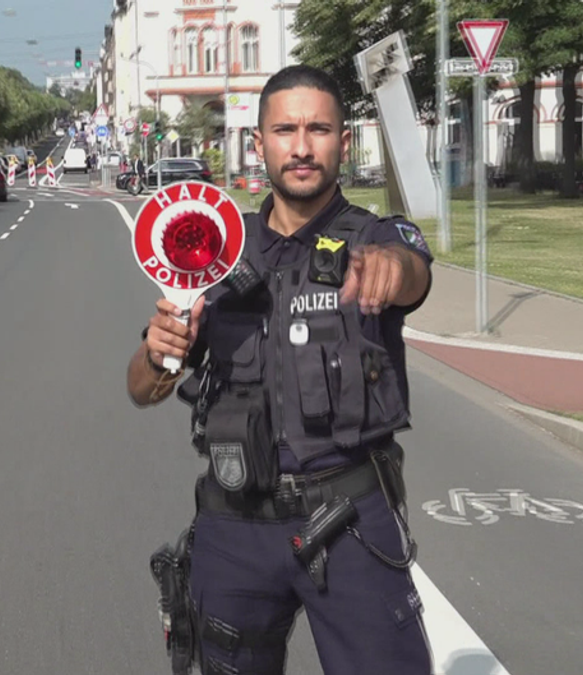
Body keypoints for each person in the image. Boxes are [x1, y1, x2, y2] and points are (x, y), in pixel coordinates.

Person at [127, 64, 434, 674]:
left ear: (343, 143)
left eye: (318, 129)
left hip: (348, 520)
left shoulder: (372, 239)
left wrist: (394, 269)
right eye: (284, 129)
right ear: (260, 141)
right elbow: (142, 388)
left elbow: (412, 271)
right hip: (234, 525)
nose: (300, 146)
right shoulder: (214, 250)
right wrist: (160, 348)